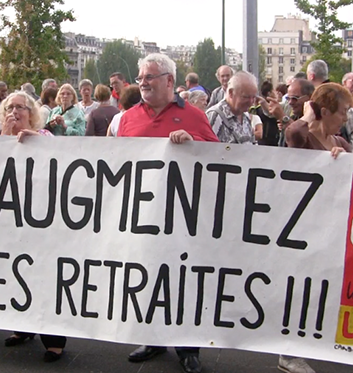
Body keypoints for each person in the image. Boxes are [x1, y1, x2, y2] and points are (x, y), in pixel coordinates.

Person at [119, 53, 219, 373]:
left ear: (170, 81)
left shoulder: (194, 116)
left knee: (183, 279)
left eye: (149, 77)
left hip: (183, 215)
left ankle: (188, 347)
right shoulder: (128, 117)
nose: (143, 83)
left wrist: (193, 145)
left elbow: (218, 159)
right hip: (144, 215)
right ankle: (154, 338)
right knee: (148, 276)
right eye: (140, 78)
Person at [0, 92, 65, 363]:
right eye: (9, 107)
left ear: (31, 112)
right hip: (12, 221)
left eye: (20, 107)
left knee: (44, 278)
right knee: (16, 275)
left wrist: (33, 140)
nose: (14, 112)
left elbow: (58, 165)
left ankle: (54, 340)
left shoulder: (45, 137)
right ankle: (22, 328)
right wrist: (4, 135)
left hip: (40, 221)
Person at [286, 82, 352, 157]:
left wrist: (344, 159)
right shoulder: (305, 139)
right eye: (343, 113)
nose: (346, 119)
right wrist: (308, 115)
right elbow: (294, 132)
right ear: (324, 112)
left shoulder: (340, 143)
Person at [206, 70, 259, 145]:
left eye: (253, 97)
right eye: (245, 97)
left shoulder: (246, 116)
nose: (251, 102)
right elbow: (206, 150)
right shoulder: (215, 116)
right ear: (231, 93)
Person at [250, 81, 280, 146]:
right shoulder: (265, 107)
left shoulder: (256, 107)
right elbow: (270, 113)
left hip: (262, 141)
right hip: (269, 140)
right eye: (274, 90)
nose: (276, 93)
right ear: (269, 93)